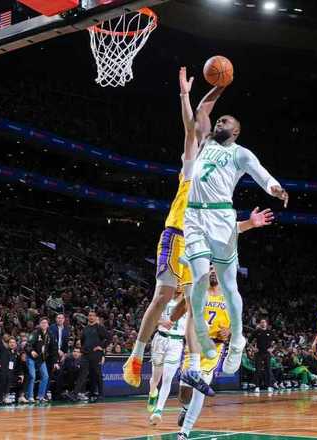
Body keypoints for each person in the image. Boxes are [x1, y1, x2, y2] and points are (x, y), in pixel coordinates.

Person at [182, 72, 288, 377]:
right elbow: (202, 111)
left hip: (221, 219)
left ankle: (238, 339)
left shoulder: (240, 153)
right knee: (199, 280)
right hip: (194, 215)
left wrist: (275, 188)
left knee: (228, 286)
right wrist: (219, 86)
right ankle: (202, 335)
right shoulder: (205, 142)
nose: (219, 122)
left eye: (225, 121)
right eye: (219, 121)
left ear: (236, 131)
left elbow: (260, 173)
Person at [122, 66, 200, 390]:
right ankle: (136, 355)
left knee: (194, 300)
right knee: (163, 295)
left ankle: (193, 365)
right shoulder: (192, 170)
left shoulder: (217, 188)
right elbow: (190, 132)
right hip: (175, 236)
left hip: (195, 247)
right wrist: (184, 96)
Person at [175, 268, 231, 440]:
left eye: (216, 268)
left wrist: (228, 331)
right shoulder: (198, 291)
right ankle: (185, 408)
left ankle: (184, 432)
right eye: (210, 268)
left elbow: (236, 324)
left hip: (214, 347)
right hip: (194, 345)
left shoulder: (229, 295)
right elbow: (181, 310)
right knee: (184, 392)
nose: (213, 271)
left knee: (200, 389)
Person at [147, 286, 186, 425]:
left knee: (167, 378)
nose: (179, 286)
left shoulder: (189, 302)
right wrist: (161, 321)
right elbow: (151, 317)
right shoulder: (163, 299)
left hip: (176, 342)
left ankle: (158, 411)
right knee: (155, 378)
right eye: (177, 282)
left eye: (182, 283)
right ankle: (153, 392)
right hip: (160, 339)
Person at [72, 310, 108, 402]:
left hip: (96, 354)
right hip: (85, 354)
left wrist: (101, 347)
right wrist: (82, 350)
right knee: (82, 374)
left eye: (92, 315)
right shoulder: (85, 328)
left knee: (97, 374)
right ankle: (75, 394)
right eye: (89, 315)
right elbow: (82, 340)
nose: (91, 317)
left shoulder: (100, 327)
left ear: (96, 317)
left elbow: (108, 338)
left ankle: (101, 394)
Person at [22, 317, 57, 404]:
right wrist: (31, 351)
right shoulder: (35, 333)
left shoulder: (50, 335)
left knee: (45, 376)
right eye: (42, 323)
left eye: (45, 323)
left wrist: (55, 361)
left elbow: (53, 349)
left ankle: (40, 396)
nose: (44, 324)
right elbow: (27, 345)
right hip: (31, 358)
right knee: (32, 376)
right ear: (40, 324)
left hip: (41, 359)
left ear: (48, 325)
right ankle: (30, 396)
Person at [250, 318, 275, 393]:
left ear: (266, 323)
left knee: (268, 370)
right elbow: (249, 341)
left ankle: (269, 386)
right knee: (258, 370)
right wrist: (253, 348)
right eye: (261, 322)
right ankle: (257, 386)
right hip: (258, 353)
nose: (262, 323)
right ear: (260, 324)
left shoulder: (270, 332)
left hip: (267, 353)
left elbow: (277, 341)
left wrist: (272, 349)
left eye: (264, 322)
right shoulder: (256, 331)